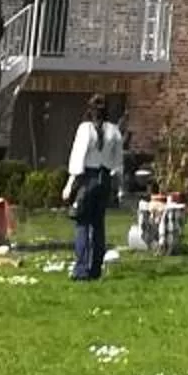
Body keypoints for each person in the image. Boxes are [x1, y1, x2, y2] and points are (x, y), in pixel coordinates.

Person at [64, 96, 119, 280]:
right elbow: (117, 162)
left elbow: (78, 157)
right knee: (98, 225)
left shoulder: (85, 129)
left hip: (87, 177)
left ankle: (81, 269)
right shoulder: (114, 131)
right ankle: (95, 268)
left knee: (81, 223)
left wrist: (70, 183)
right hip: (104, 179)